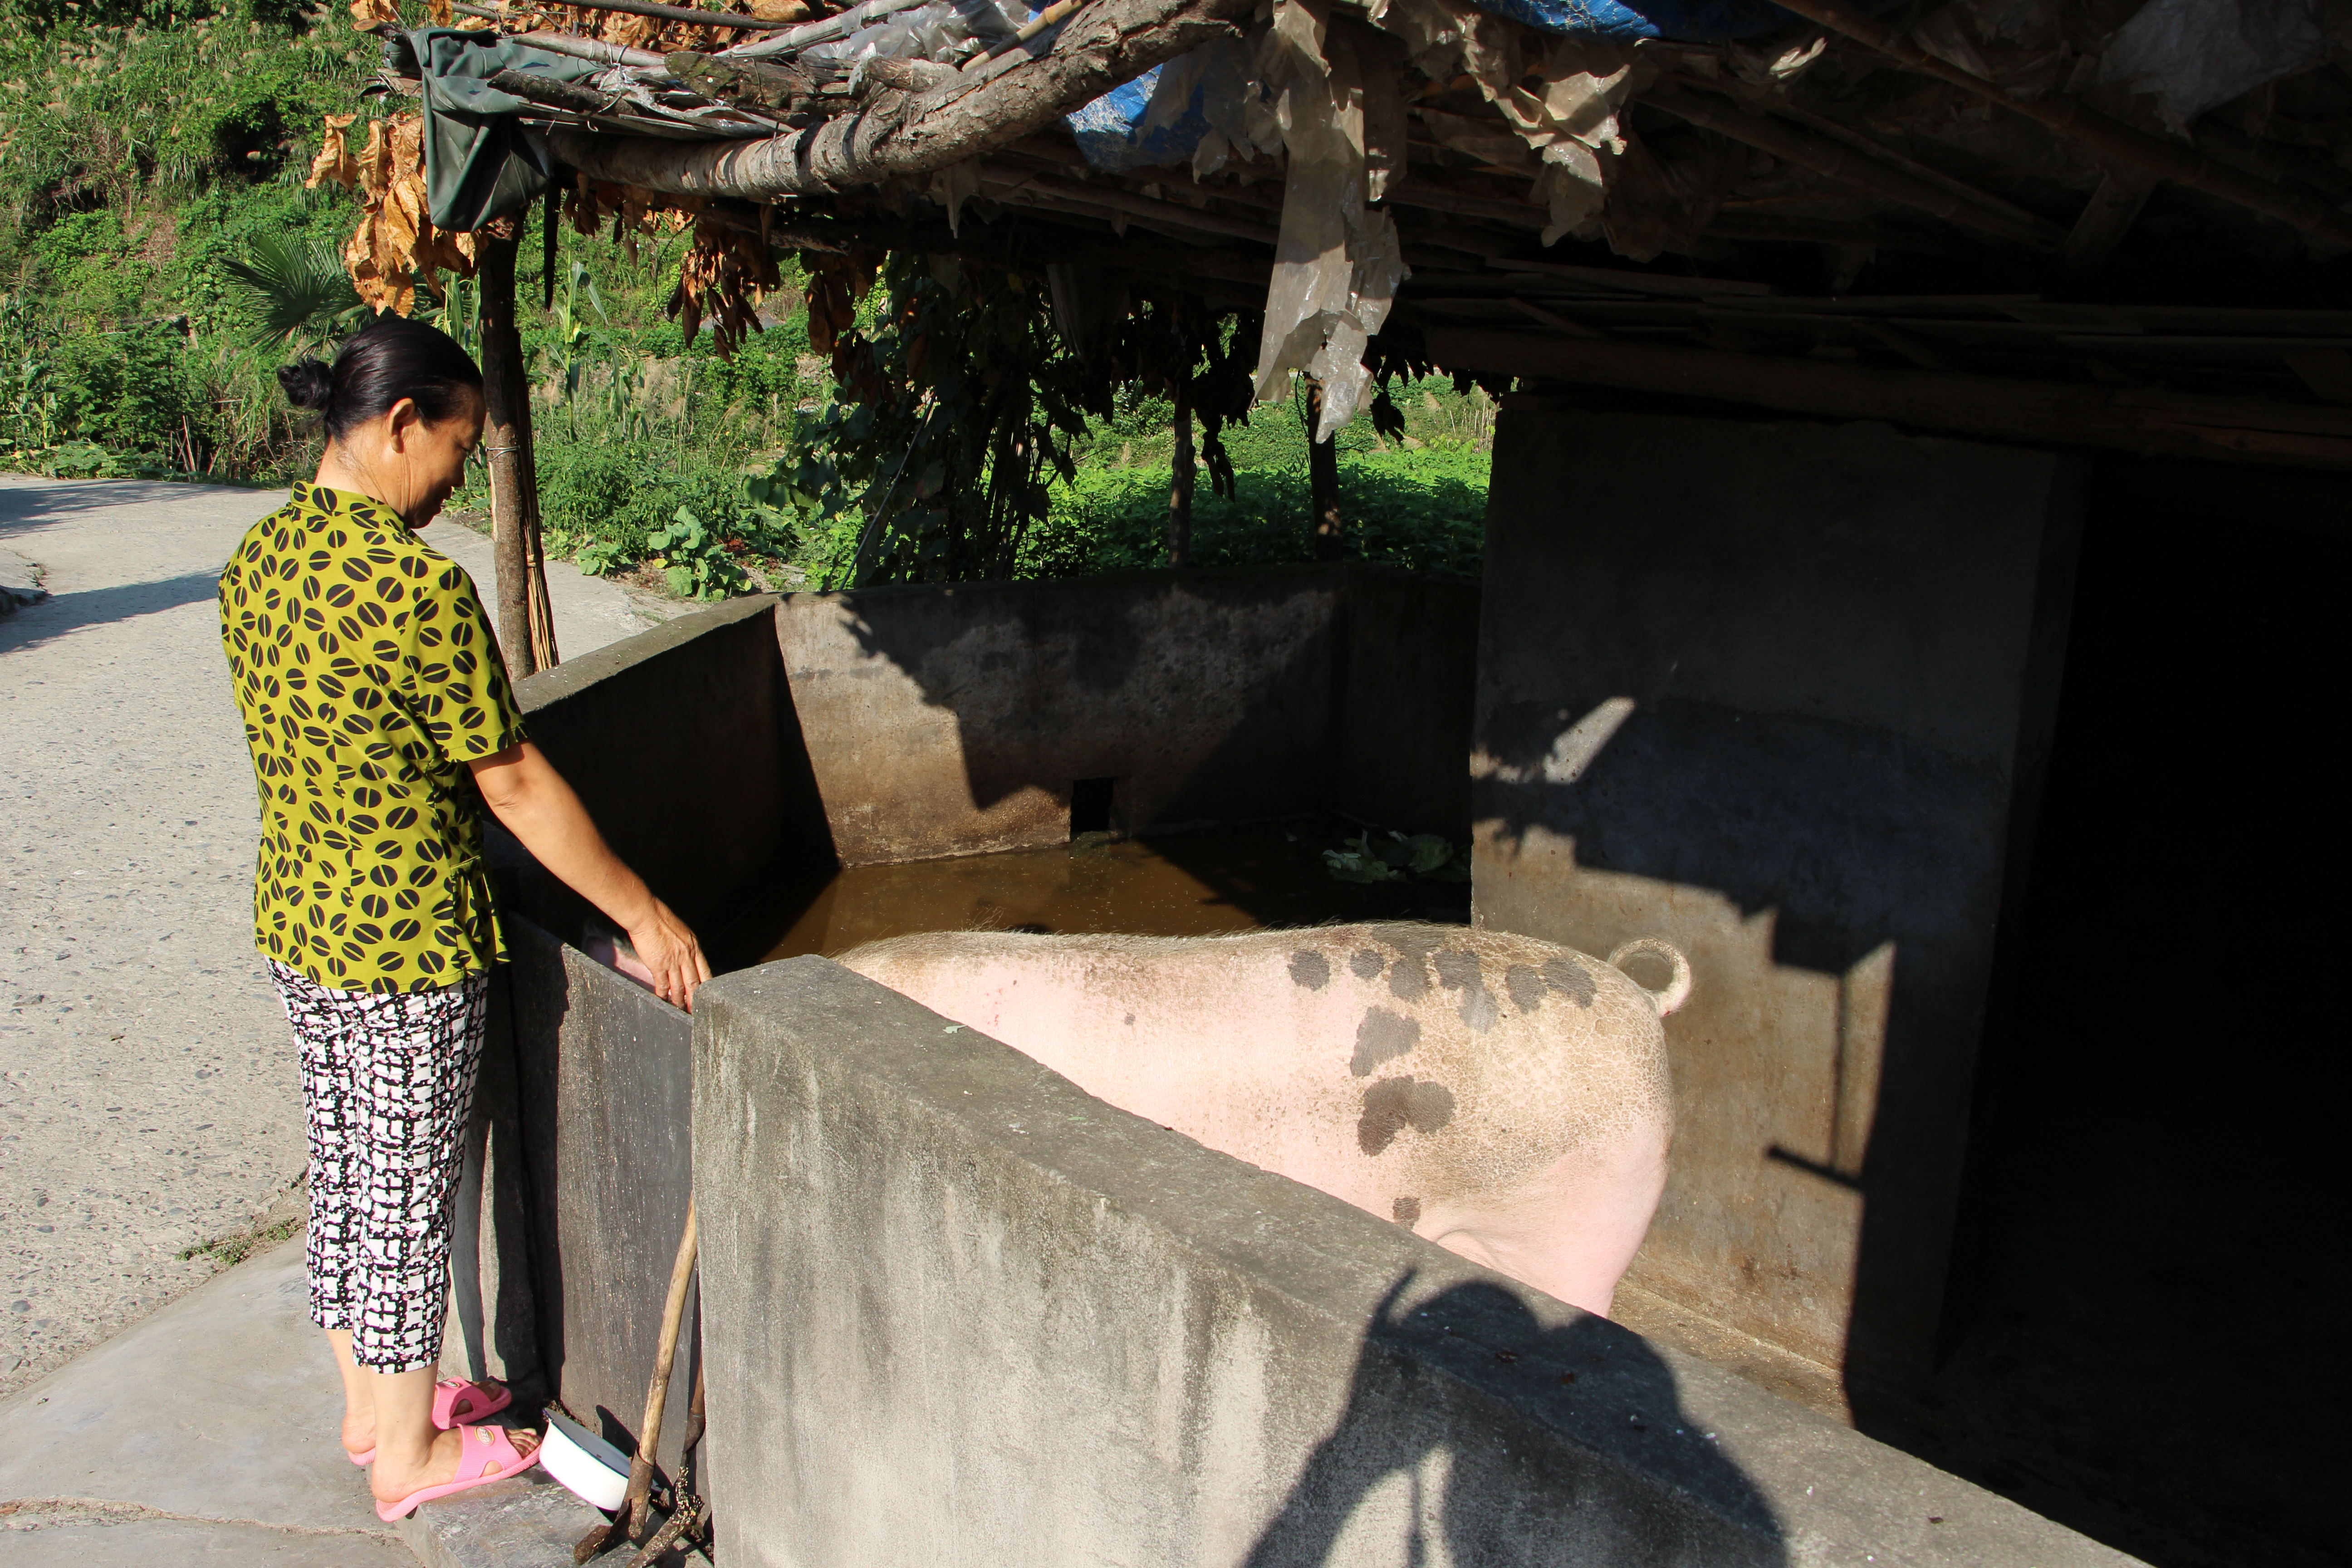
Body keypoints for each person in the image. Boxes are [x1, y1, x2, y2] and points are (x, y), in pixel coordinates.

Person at [216, 314, 710, 1523]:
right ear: (401, 425)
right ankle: (409, 1459)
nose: (456, 478)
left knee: (349, 1171)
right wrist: (645, 914)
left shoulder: (261, 554)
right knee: (403, 1200)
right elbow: (514, 782)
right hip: (403, 947)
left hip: (302, 919)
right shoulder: (413, 587)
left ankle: (372, 1409)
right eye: (457, 445)